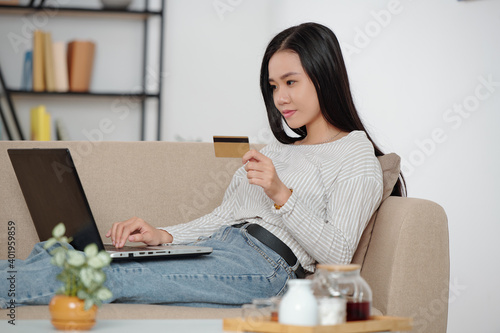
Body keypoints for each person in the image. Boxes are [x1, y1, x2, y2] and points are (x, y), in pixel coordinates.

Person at [1, 22, 404, 309]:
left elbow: (338, 257)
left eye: (291, 81)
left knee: (101, 275)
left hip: (269, 270)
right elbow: (226, 216)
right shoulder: (277, 150)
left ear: (324, 75)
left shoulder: (355, 157)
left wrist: (282, 195)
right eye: (273, 85)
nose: (281, 96)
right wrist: (163, 235)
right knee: (61, 251)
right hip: (221, 247)